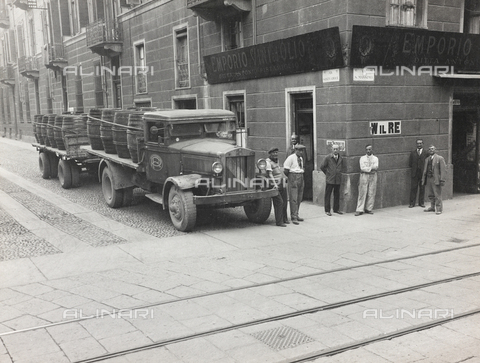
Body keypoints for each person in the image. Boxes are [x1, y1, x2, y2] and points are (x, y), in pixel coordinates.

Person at [266, 147, 289, 227]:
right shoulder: (268, 162)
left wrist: (284, 178)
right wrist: (275, 185)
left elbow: (279, 171)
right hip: (274, 184)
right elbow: (270, 174)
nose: (275, 154)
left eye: (276, 153)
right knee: (279, 202)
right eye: (274, 153)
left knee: (285, 201)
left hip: (281, 182)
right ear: (270, 154)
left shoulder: (276, 160)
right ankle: (279, 222)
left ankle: (284, 219)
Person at [283, 144, 306, 225]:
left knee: (299, 197)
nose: (301, 152)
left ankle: (296, 214)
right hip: (293, 176)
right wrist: (291, 178)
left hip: (301, 176)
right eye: (299, 150)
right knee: (294, 198)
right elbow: (286, 170)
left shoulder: (301, 158)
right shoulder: (290, 158)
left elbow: (301, 168)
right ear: (295, 150)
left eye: (302, 151)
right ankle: (293, 217)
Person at [422, 145, 447, 215]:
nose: (431, 150)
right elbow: (425, 170)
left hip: (436, 179)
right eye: (429, 149)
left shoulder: (439, 158)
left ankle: (439, 209)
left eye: (432, 149)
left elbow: (443, 170)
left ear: (435, 150)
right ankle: (432, 207)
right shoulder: (427, 159)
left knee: (437, 194)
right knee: (430, 194)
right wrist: (424, 178)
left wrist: (442, 179)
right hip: (429, 178)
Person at [355, 144, 379, 216]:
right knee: (362, 192)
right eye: (367, 150)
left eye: (370, 149)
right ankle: (359, 209)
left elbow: (376, 167)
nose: (368, 151)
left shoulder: (375, 158)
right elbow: (362, 168)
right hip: (364, 176)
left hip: (373, 176)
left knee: (371, 192)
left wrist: (368, 169)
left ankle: (369, 208)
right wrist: (370, 169)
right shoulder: (362, 158)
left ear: (372, 149)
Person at [320, 144, 343, 216]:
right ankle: (327, 210)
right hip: (330, 179)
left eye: (337, 149)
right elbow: (322, 166)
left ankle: (336, 209)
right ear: (332, 149)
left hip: (337, 179)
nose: (335, 150)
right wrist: (328, 173)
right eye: (334, 149)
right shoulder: (328, 157)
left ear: (338, 150)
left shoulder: (340, 158)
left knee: (337, 194)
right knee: (328, 194)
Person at [408, 139, 427, 208]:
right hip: (415, 173)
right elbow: (410, 163)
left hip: (422, 173)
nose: (419, 145)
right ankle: (412, 203)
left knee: (422, 188)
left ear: (423, 144)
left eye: (420, 143)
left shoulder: (426, 153)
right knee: (413, 188)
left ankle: (421, 203)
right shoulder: (413, 153)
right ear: (416, 144)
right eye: (418, 143)